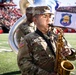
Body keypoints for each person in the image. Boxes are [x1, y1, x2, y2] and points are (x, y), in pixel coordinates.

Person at [17, 6, 76, 75]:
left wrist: (70, 52)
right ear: (35, 20)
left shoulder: (57, 35)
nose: (49, 20)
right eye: (44, 16)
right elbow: (23, 63)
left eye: (50, 16)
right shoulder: (27, 39)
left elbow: (73, 54)